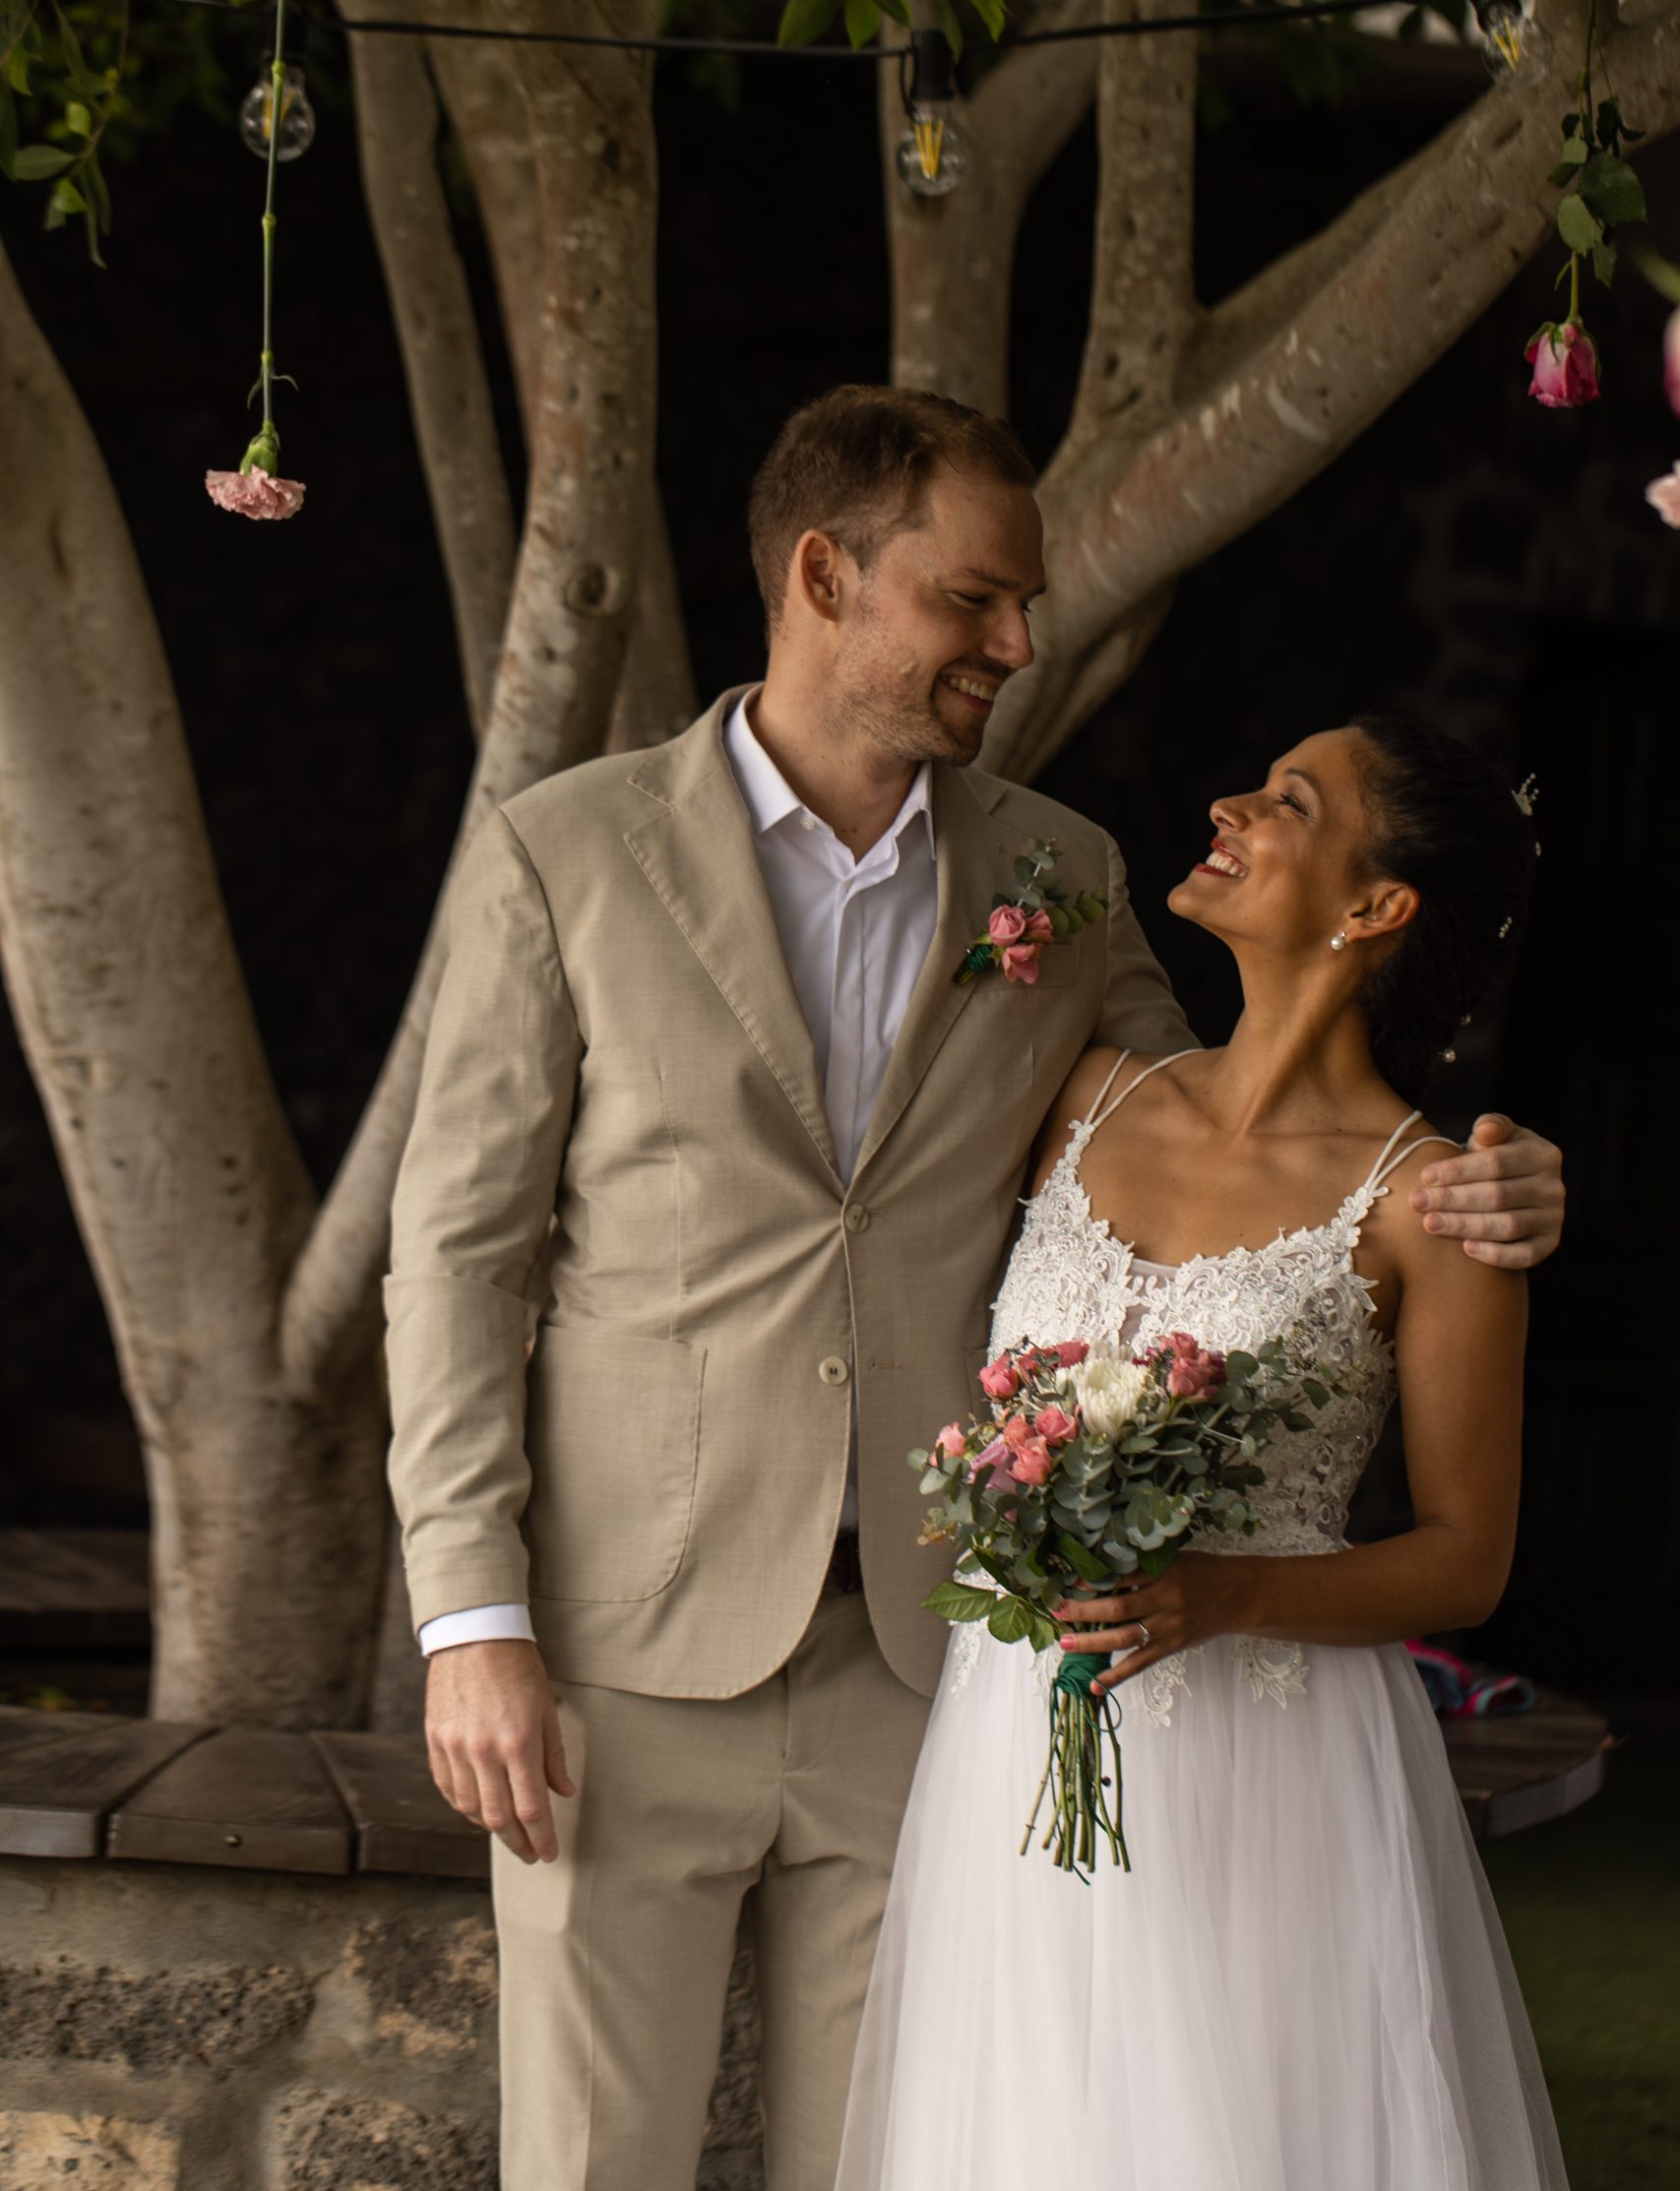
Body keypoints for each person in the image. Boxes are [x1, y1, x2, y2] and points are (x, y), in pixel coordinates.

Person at [381, 385, 1566, 2191]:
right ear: (824, 576)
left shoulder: (1061, 881)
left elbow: (1240, 1135)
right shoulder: (567, 854)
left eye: (1024, 604)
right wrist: (472, 1623)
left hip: (945, 1679)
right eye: (974, 599)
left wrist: (1509, 1179)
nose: (1018, 644)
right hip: (622, 1659)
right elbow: (459, 1260)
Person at [836, 715, 1568, 2191]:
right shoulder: (1083, 1092)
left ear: (1377, 905)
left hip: (1270, 1759)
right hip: (1012, 1730)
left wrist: (1222, 1593)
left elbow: (1465, 1559)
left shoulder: (1431, 1203)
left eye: (1290, 800)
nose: (1229, 802)